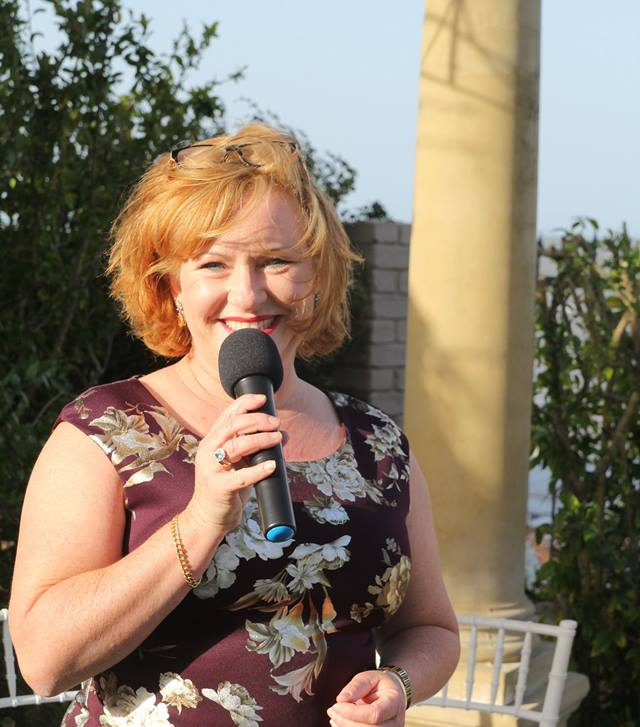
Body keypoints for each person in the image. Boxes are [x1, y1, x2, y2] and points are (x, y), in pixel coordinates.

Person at [9, 123, 460, 727]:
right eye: (214, 264)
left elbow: (431, 628)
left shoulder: (377, 443)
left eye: (276, 261)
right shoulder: (105, 431)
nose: (246, 295)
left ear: (318, 276)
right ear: (171, 284)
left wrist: (400, 683)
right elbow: (44, 663)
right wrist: (201, 522)